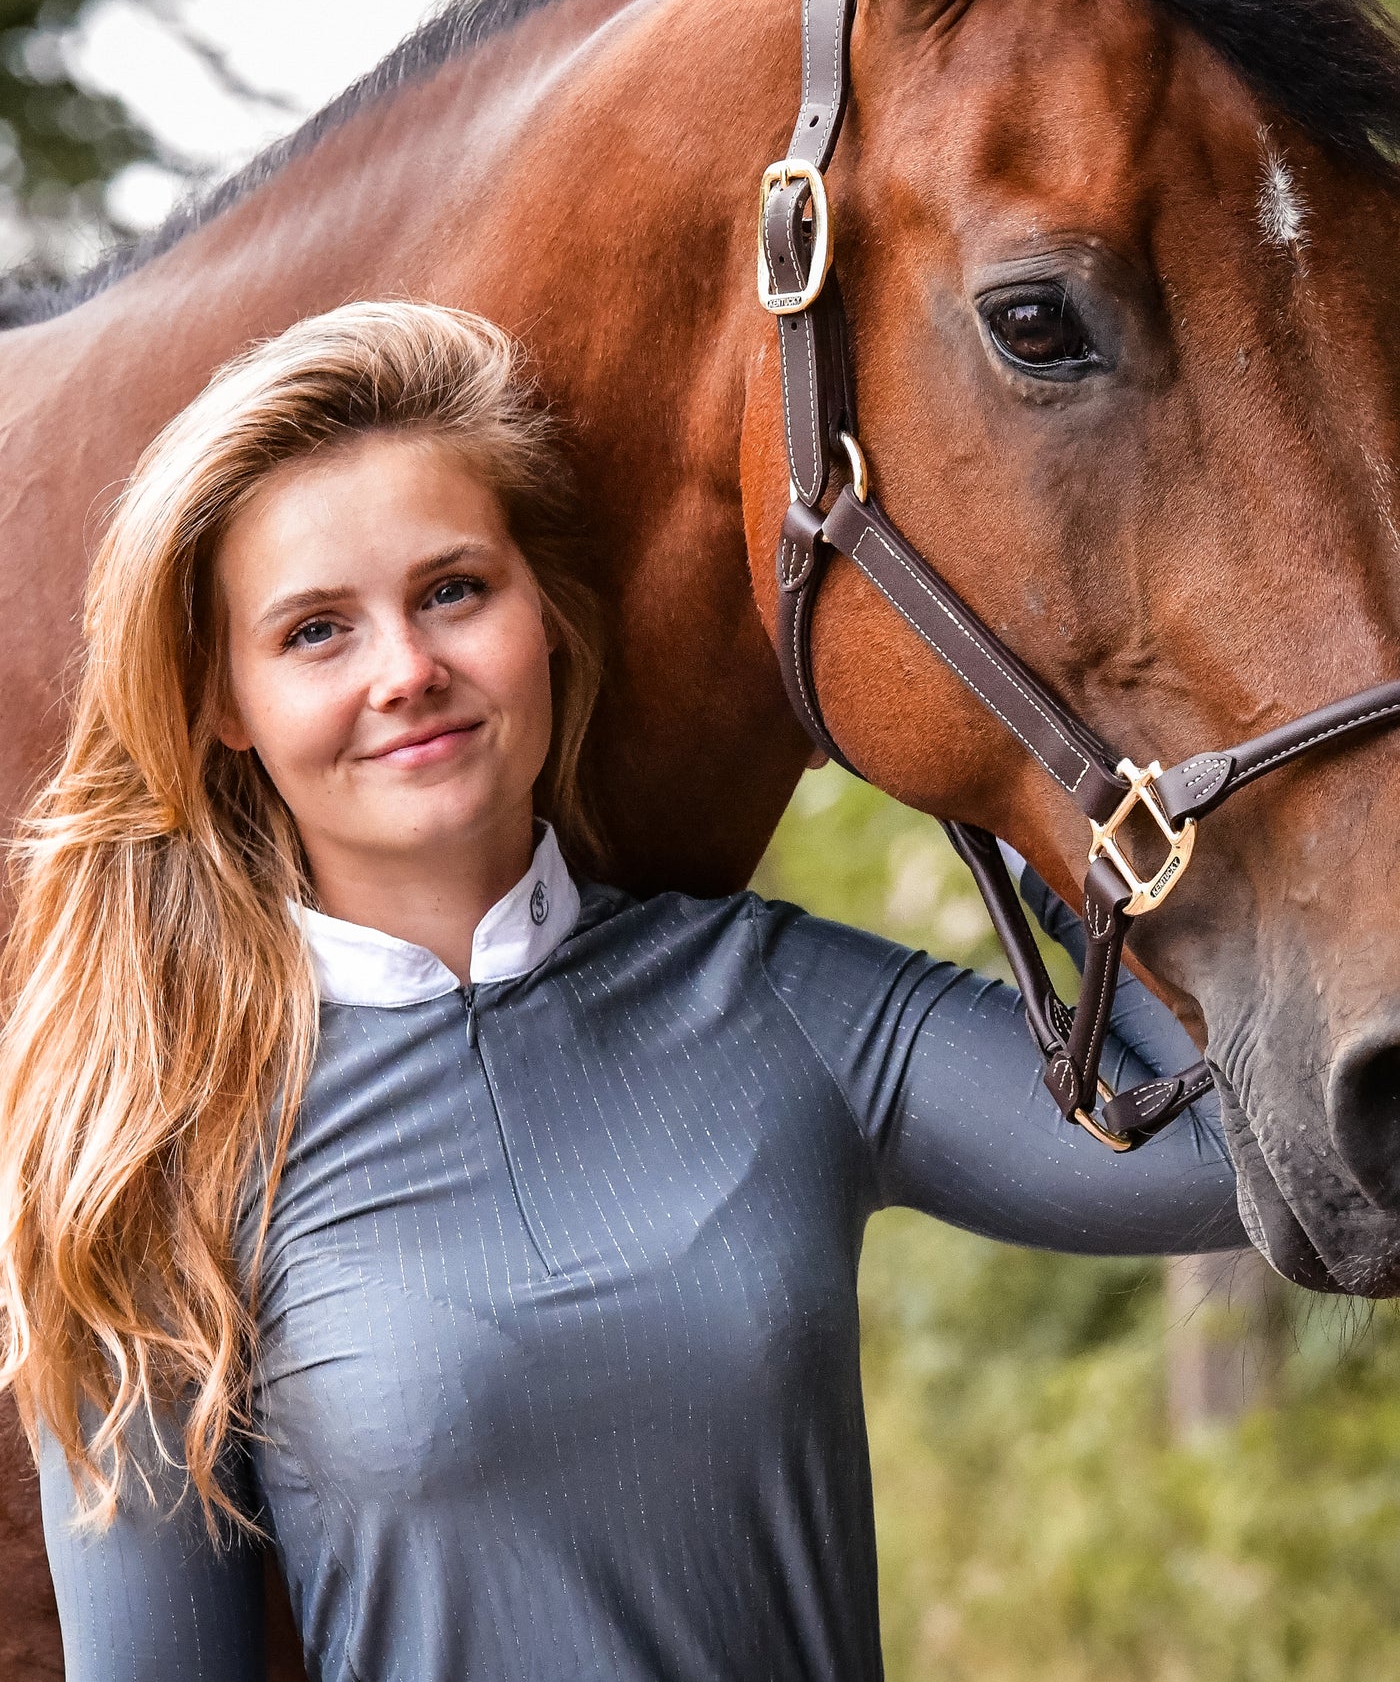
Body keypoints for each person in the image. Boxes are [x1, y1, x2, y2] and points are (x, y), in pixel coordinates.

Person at [0, 301, 1244, 1682]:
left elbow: (1220, 1156)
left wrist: (1017, 764)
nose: (406, 671)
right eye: (314, 632)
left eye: (454, 589)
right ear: (224, 699)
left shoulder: (774, 1000)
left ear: (545, 615)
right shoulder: (156, 1159)